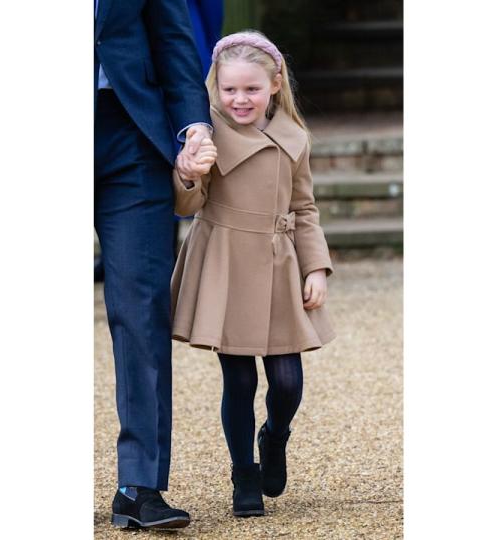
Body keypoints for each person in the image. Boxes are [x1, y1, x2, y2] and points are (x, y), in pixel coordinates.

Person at [169, 31, 335, 517]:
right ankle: (244, 473)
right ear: (214, 88)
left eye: (251, 89)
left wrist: (316, 267)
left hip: (281, 262)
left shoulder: (294, 137)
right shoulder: (207, 133)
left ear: (275, 84)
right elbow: (187, 204)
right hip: (226, 260)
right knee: (238, 380)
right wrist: (188, 172)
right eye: (229, 90)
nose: (239, 99)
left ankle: (274, 435)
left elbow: (304, 207)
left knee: (287, 381)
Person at [94, 0, 214, 530]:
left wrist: (194, 124)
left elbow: (171, 36)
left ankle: (138, 485)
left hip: (131, 132)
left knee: (143, 308)